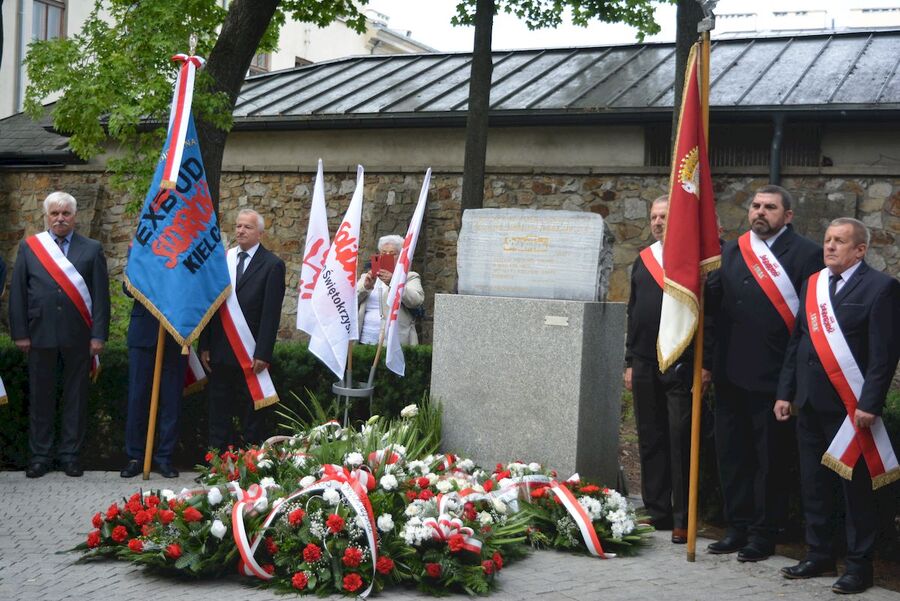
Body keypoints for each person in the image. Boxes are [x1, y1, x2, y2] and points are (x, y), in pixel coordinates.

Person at [775, 218, 899, 594]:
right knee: (814, 485)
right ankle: (819, 555)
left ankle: (859, 566)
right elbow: (798, 342)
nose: (829, 246)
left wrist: (870, 403)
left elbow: (884, 355)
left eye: (840, 241)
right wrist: (785, 392)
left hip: (850, 410)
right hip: (810, 404)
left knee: (855, 492)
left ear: (860, 250)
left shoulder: (881, 288)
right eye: (827, 239)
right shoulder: (814, 283)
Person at [706, 184, 822, 561]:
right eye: (756, 205)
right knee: (732, 456)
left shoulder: (807, 254)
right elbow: (714, 310)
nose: (759, 212)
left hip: (774, 378)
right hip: (729, 373)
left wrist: (790, 385)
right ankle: (736, 526)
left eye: (769, 207)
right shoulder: (732, 251)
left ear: (787, 216)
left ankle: (763, 533)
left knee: (769, 462)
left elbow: (808, 323)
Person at [624, 196, 711, 545]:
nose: (658, 222)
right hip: (645, 361)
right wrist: (630, 361)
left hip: (681, 362)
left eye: (665, 216)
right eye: (654, 216)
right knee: (650, 436)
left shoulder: (692, 262)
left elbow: (709, 316)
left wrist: (706, 365)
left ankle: (682, 517)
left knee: (680, 439)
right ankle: (657, 510)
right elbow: (633, 311)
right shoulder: (643, 259)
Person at [9, 191, 110, 478]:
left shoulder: (92, 249)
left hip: (78, 337)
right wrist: (21, 333)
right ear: (46, 216)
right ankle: (40, 456)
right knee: (40, 398)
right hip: (39, 335)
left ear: (75, 217)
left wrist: (98, 336)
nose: (60, 218)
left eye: (66, 213)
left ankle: (70, 456)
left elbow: (101, 298)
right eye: (54, 213)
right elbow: (18, 293)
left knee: (75, 399)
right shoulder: (30, 247)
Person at [200, 209, 285, 450]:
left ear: (260, 233)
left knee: (251, 417)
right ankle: (217, 463)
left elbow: (270, 314)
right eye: (238, 226)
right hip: (219, 350)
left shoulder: (272, 265)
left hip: (250, 353)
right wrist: (204, 344)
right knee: (219, 413)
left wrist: (263, 353)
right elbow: (211, 304)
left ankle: (249, 464)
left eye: (247, 227)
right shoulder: (224, 260)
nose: (241, 231)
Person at [119, 290, 188, 479]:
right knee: (137, 398)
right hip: (143, 332)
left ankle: (165, 457)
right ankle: (135, 457)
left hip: (175, 332)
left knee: (171, 400)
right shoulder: (141, 264)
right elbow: (127, 287)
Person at [357, 234, 424, 346]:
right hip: (364, 339)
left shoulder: (409, 277)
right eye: (383, 253)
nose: (387, 257)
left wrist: (393, 283)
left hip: (393, 343)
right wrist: (366, 287)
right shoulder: (368, 276)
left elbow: (416, 301)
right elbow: (350, 302)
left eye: (393, 254)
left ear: (401, 256)